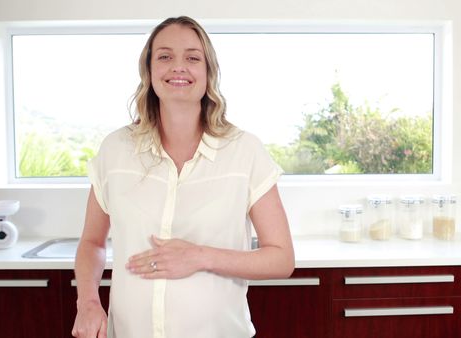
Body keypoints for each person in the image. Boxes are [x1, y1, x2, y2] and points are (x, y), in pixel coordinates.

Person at [71, 16, 295, 338]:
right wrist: (88, 301)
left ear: (208, 73)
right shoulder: (116, 149)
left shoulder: (244, 151)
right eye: (165, 56)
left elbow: (281, 258)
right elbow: (92, 242)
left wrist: (199, 256)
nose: (178, 67)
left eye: (192, 57)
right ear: (149, 71)